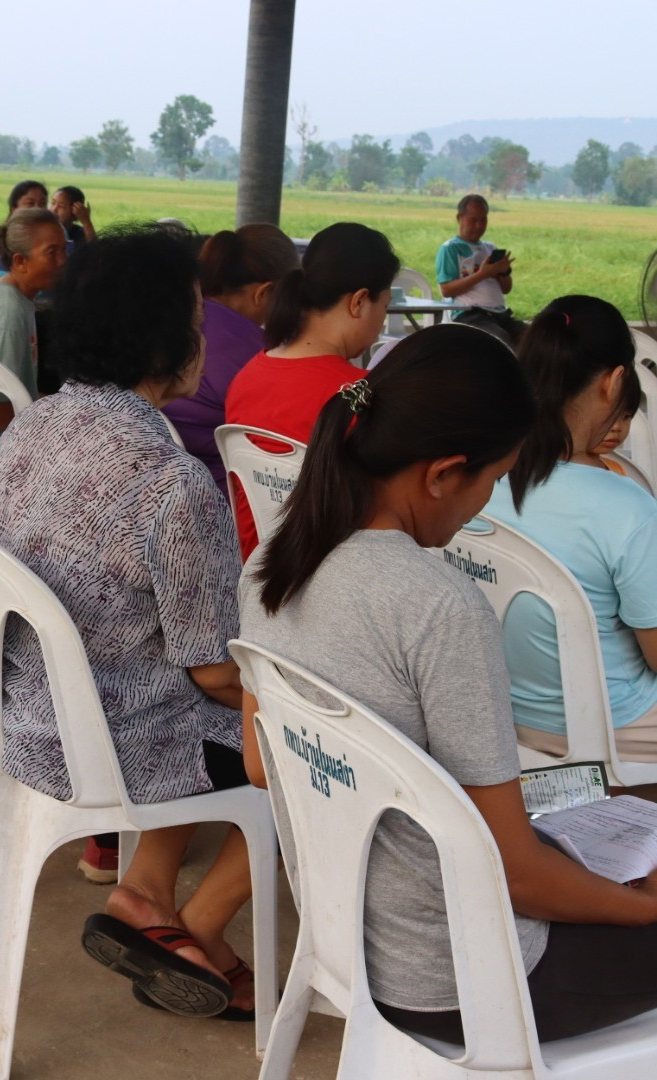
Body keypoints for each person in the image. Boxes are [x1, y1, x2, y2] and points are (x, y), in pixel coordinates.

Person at [240, 323, 657, 1043]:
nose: (481, 506)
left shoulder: (275, 562)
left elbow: (258, 763)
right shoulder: (439, 605)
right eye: (492, 483)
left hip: (353, 950)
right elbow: (517, 878)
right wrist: (647, 910)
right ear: (441, 473)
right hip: (468, 975)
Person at [0, 225, 255, 1020]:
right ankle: (204, 930)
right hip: (103, 741)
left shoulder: (31, 423)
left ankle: (146, 897)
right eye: (198, 321)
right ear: (172, 343)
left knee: (176, 686)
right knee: (306, 751)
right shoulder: (172, 483)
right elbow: (215, 671)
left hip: (14, 713)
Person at [485, 295, 657, 760]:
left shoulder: (485, 478)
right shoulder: (626, 507)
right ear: (617, 380)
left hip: (501, 717)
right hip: (613, 724)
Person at [225, 222, 399, 559]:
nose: (381, 319)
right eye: (385, 306)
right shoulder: (361, 396)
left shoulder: (246, 377)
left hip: (257, 575)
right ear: (360, 302)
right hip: (332, 584)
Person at [163, 223, 298, 492]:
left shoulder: (185, 313)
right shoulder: (247, 346)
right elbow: (283, 437)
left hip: (169, 474)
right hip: (219, 490)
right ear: (263, 293)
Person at [0, 208, 67, 402]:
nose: (63, 261)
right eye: (51, 252)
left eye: (64, 250)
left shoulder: (20, 299)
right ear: (20, 261)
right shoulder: (8, 312)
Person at [436, 193, 525, 346]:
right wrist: (484, 274)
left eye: (483, 220)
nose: (479, 225)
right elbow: (446, 290)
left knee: (533, 337)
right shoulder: (451, 248)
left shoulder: (490, 248)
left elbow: (506, 289)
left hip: (499, 314)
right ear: (459, 218)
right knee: (500, 341)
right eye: (473, 220)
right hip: (469, 314)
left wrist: (502, 272)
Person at [0, 180, 49, 274]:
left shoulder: (55, 235)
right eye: (30, 203)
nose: (38, 208)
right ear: (14, 208)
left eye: (43, 203)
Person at [50, 185, 96, 253]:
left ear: (75, 212)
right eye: (53, 203)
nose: (54, 209)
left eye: (61, 206)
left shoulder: (79, 233)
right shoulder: (43, 230)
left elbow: (95, 250)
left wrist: (86, 222)